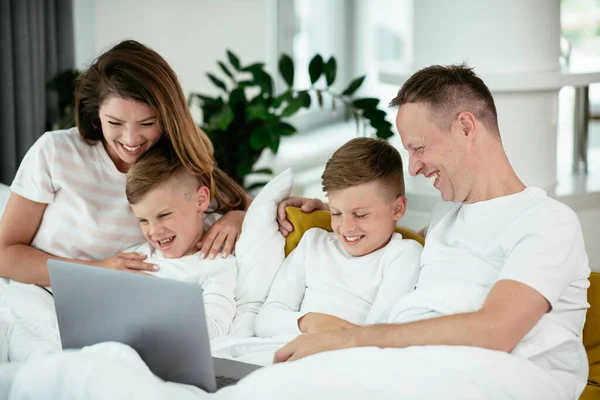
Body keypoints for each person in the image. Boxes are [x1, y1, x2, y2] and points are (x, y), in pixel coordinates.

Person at [273, 64, 591, 397]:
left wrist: (349, 339)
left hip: (491, 381)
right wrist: (340, 214)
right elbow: (389, 236)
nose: (413, 167)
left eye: (419, 148)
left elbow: (496, 331)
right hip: (415, 371)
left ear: (465, 127)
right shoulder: (446, 214)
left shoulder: (547, 221)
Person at [0, 40, 249, 288]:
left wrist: (237, 218)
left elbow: (261, 207)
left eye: (147, 123)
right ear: (96, 114)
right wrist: (99, 271)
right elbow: (4, 253)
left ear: (167, 119)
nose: (131, 140)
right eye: (115, 123)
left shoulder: (177, 168)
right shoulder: (55, 151)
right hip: (41, 295)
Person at [254, 138, 422, 338]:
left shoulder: (403, 255)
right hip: (281, 349)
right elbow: (264, 321)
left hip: (344, 359)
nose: (346, 227)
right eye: (336, 213)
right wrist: (308, 321)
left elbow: (378, 334)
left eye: (360, 215)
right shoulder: (313, 243)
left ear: (397, 208)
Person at [124, 141, 236, 340]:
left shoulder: (217, 265)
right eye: (143, 220)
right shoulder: (134, 257)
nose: (154, 231)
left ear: (200, 201)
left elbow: (215, 327)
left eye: (164, 215)